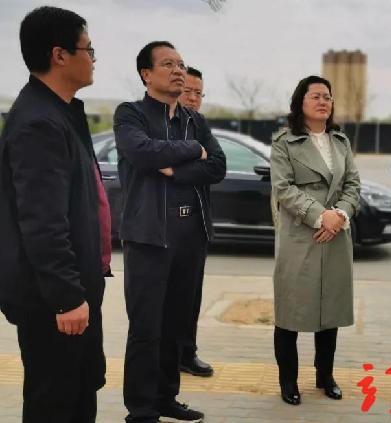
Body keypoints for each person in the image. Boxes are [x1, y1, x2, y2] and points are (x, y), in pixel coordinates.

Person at [0, 6, 107, 422]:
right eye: (88, 48)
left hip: (74, 291)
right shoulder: (39, 123)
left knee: (79, 394)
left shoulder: (61, 112)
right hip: (54, 302)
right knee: (56, 403)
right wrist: (67, 298)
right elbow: (42, 223)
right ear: (60, 55)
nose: (94, 58)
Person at [114, 41, 226, 423]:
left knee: (177, 325)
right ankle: (141, 410)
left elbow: (218, 166)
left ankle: (166, 398)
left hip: (191, 236)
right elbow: (142, 152)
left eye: (181, 64)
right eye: (168, 64)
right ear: (146, 74)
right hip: (150, 236)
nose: (179, 70)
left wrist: (175, 168)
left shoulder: (195, 120)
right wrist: (194, 150)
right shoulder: (130, 113)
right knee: (146, 328)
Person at [270, 75, 361, 406]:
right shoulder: (284, 142)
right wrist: (321, 216)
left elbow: (353, 184)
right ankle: (288, 381)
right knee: (291, 312)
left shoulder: (340, 141)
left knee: (330, 310)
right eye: (316, 96)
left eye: (328, 97)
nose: (324, 102)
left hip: (335, 235)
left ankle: (325, 376)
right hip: (301, 235)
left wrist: (340, 215)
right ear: (300, 102)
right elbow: (283, 188)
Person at [176, 65, 214, 378]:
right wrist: (196, 158)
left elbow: (218, 166)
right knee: (167, 301)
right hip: (165, 228)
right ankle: (168, 358)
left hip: (196, 228)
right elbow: (156, 159)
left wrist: (177, 170)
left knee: (191, 298)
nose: (193, 98)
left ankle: (187, 354)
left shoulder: (200, 125)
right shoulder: (162, 125)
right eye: (188, 91)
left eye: (199, 93)